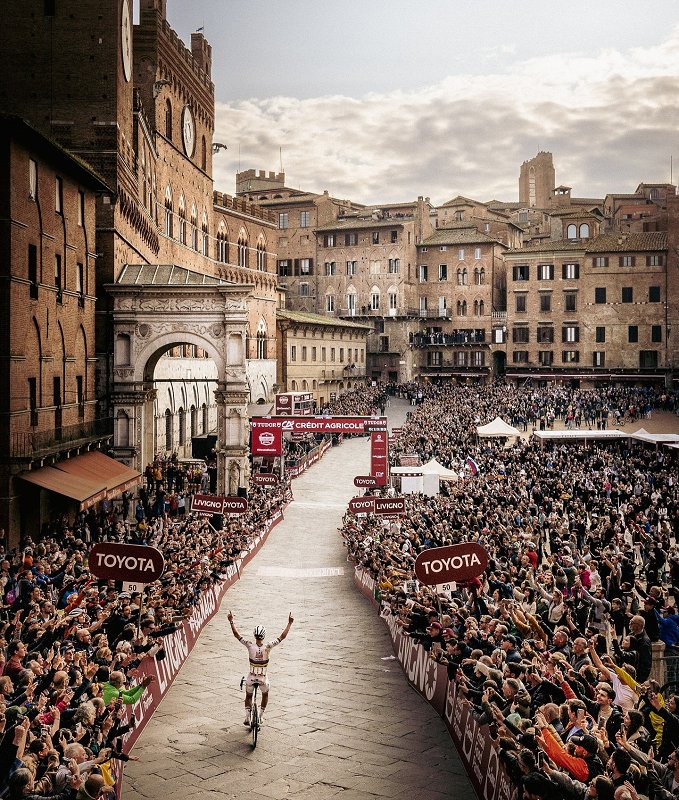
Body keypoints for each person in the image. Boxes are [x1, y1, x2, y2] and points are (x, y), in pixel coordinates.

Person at [227, 610, 293, 726]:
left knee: (248, 696)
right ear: (264, 635)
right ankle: (261, 717)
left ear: (254, 635)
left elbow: (237, 635)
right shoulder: (268, 646)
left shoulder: (249, 645)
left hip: (251, 677)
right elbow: (282, 637)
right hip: (263, 678)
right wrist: (289, 623)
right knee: (265, 694)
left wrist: (231, 621)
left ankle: (247, 718)